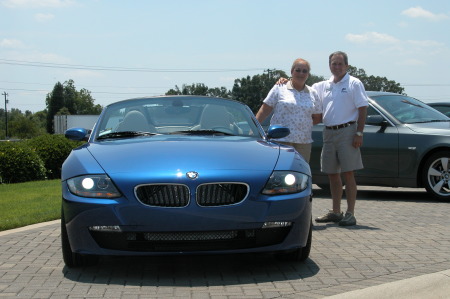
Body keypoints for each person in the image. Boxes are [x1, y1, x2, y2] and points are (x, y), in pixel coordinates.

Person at [277, 51, 369, 226]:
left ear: (347, 66)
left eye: (340, 64)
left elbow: (363, 108)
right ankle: (336, 212)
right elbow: (299, 83)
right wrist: (283, 80)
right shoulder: (322, 86)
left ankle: (350, 213)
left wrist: (359, 133)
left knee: (348, 173)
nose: (337, 67)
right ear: (329, 65)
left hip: (348, 131)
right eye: (334, 63)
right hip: (328, 132)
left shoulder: (354, 83)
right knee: (332, 174)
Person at [255, 58, 322, 163]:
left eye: (304, 71)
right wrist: (254, 128)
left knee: (301, 173)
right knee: (279, 172)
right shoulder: (279, 87)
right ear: (292, 71)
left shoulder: (313, 93)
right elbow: (264, 110)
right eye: (298, 70)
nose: (301, 73)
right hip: (280, 140)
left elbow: (317, 117)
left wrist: (302, 125)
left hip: (303, 142)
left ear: (308, 74)